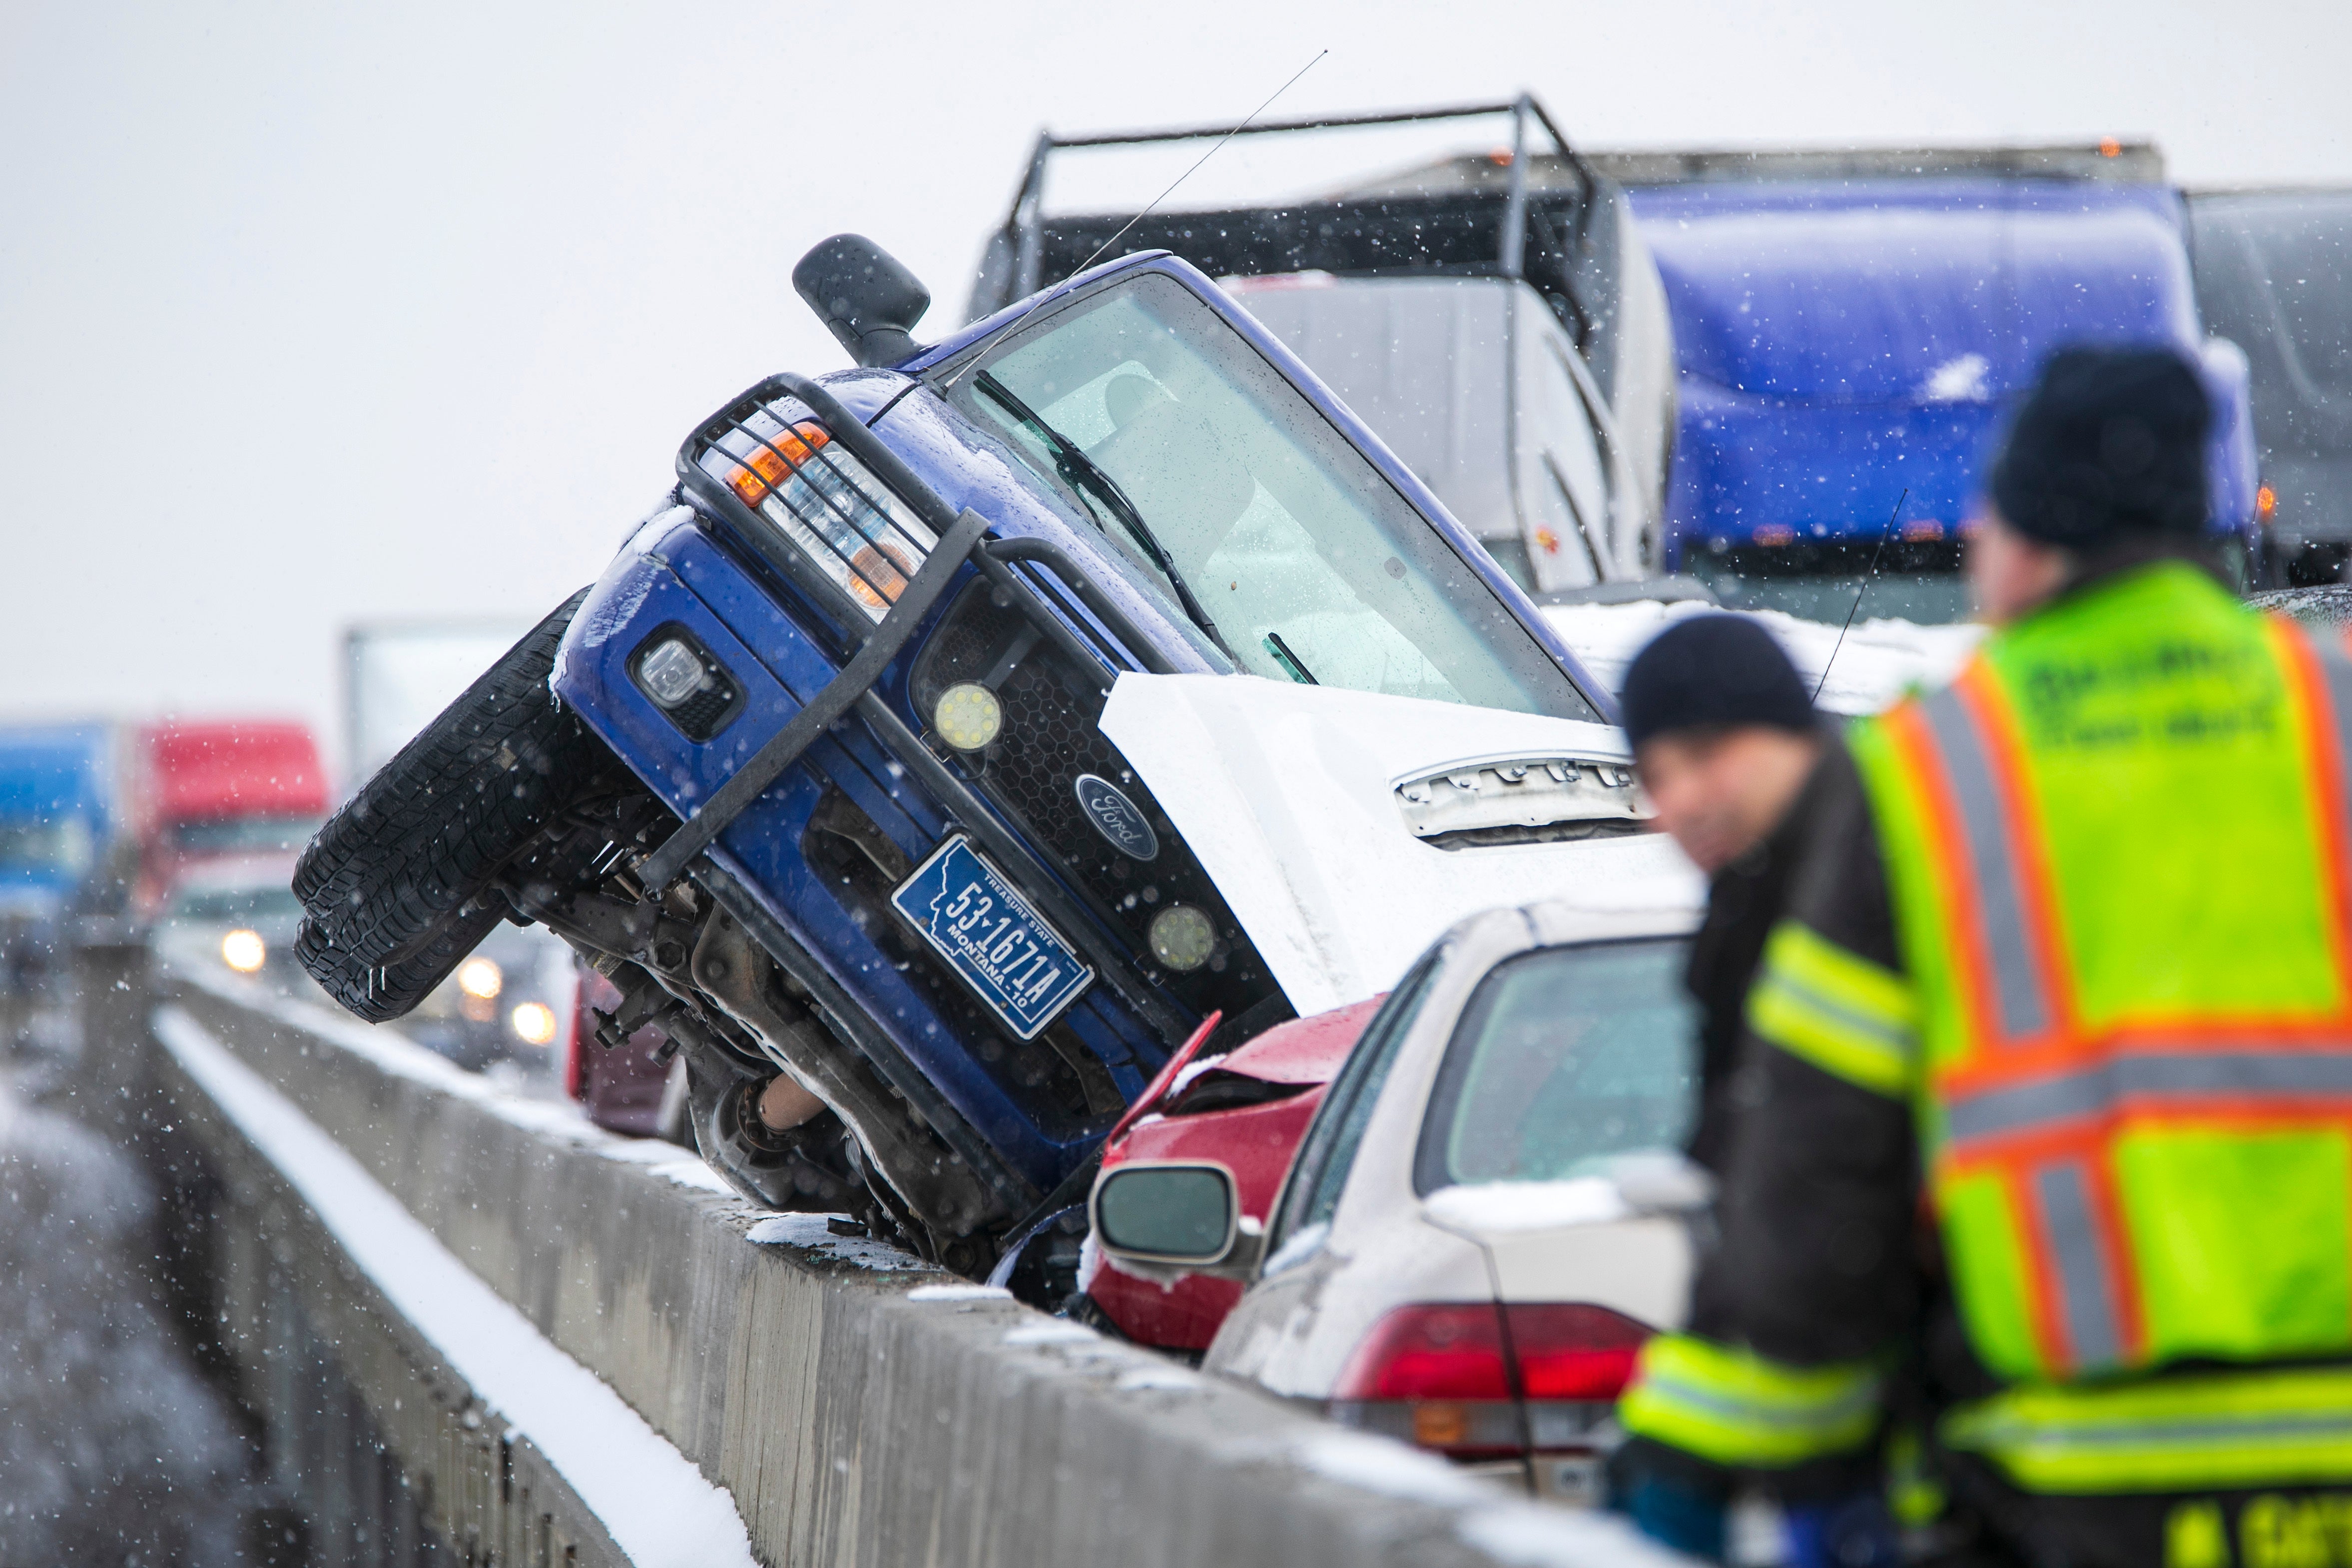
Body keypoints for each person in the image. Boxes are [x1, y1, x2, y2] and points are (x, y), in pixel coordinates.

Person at [1611, 344, 2352, 1568]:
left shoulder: (1934, 773)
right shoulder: (2330, 726)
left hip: (2061, 1490)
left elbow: (1818, 1179)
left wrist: (1735, 1454)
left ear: (2023, 539)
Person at [1620, 613, 1831, 1174]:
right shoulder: (1739, 916)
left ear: (1793, 735)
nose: (1681, 801)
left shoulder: (1901, 873)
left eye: (1703, 753)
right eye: (1656, 777)